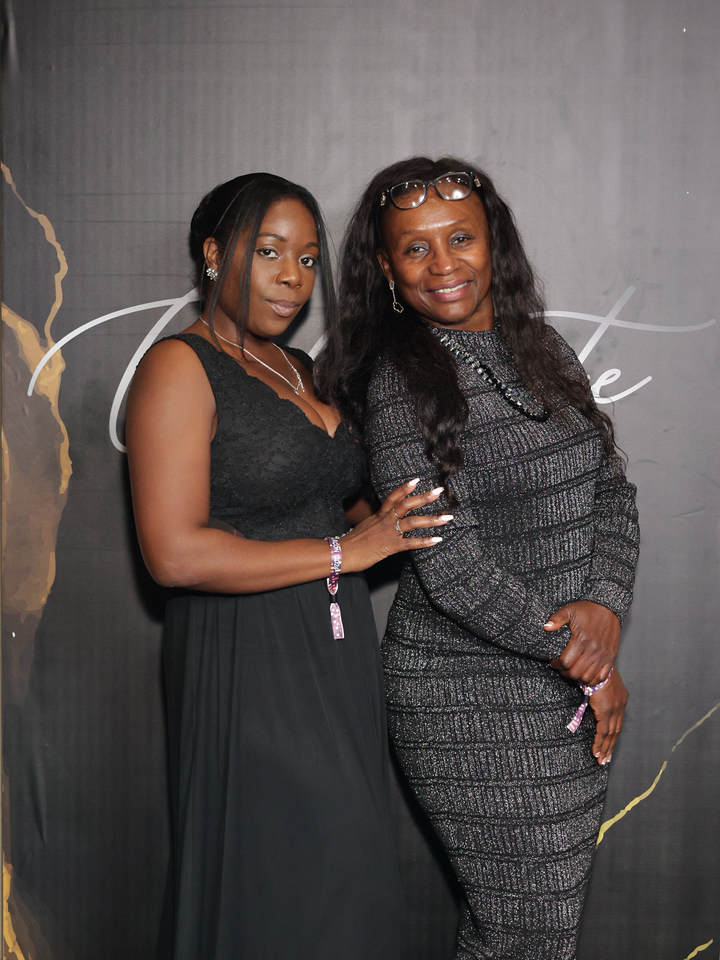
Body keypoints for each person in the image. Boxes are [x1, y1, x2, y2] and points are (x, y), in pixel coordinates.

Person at [314, 157, 640, 959]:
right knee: (525, 931)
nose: (443, 264)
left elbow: (611, 489)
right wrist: (585, 657)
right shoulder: (400, 383)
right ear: (387, 268)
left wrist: (603, 606)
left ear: (493, 241)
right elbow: (449, 564)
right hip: (466, 694)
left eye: (459, 238)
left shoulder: (543, 347)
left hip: (564, 683)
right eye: (415, 248)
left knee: (534, 934)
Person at [125, 172, 451, 960]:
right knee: (281, 880)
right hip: (246, 654)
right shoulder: (179, 366)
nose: (291, 277)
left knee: (347, 879)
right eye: (269, 251)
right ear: (214, 253)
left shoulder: (300, 368)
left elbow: (336, 507)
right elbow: (172, 552)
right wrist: (348, 551)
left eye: (306, 259)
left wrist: (404, 516)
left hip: (333, 651)